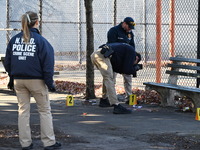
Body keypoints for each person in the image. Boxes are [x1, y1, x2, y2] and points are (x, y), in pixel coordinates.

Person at [4, 11, 61, 150]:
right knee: (44, 110)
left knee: (23, 111)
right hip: (37, 80)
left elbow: (8, 61)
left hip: (19, 80)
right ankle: (48, 142)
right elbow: (47, 64)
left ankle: (25, 143)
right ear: (36, 22)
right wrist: (50, 83)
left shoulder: (14, 39)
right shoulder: (41, 41)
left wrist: (12, 76)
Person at [91, 43, 142, 114]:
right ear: (136, 58)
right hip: (102, 56)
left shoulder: (123, 52)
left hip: (96, 54)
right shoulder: (132, 52)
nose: (132, 64)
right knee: (109, 79)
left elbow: (121, 69)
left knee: (107, 78)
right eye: (134, 63)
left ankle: (104, 100)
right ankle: (116, 105)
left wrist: (132, 68)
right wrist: (135, 68)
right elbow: (127, 70)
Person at [107, 17, 141, 104]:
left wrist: (135, 56)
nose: (130, 29)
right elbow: (112, 45)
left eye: (131, 28)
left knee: (128, 78)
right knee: (111, 78)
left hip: (126, 60)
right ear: (124, 24)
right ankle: (111, 98)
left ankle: (129, 97)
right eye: (129, 27)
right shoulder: (113, 31)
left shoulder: (129, 33)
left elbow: (132, 46)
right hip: (115, 59)